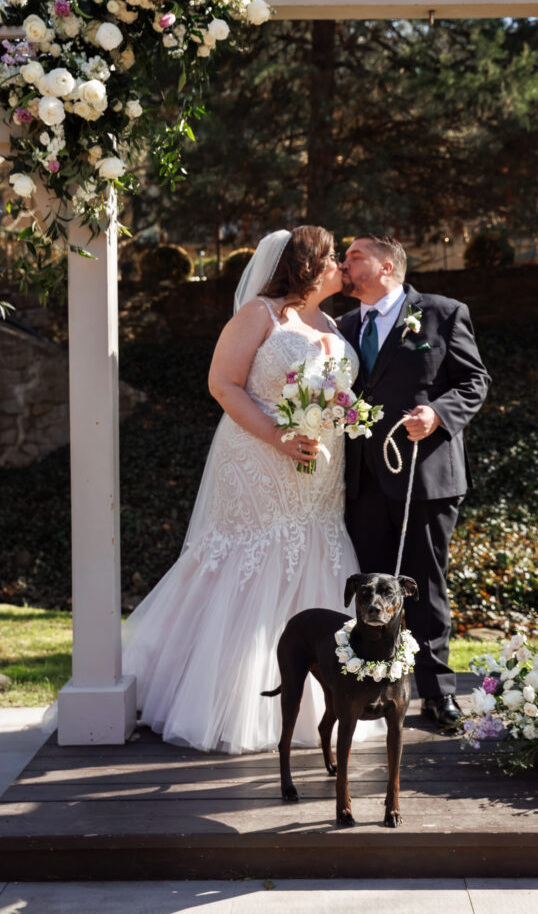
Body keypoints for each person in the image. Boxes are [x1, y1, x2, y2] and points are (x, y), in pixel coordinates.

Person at [122, 226, 367, 753]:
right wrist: (280, 438)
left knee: (315, 551)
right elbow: (222, 383)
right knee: (255, 555)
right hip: (258, 458)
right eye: (332, 261)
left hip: (321, 471)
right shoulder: (261, 313)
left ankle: (322, 702)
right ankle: (230, 699)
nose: (340, 269)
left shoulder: (332, 322)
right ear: (307, 266)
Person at [338, 235, 491, 728]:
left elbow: (474, 381)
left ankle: (438, 694)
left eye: (353, 257)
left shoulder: (443, 314)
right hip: (362, 479)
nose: (343, 265)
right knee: (371, 591)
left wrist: (438, 414)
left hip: (425, 475)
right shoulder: (343, 326)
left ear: (386, 266)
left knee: (425, 586)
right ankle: (377, 689)